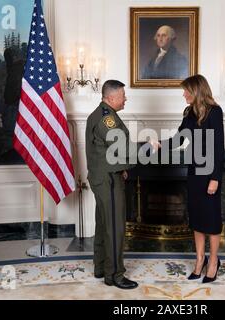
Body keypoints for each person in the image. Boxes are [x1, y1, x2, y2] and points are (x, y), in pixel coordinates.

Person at [85, 80, 159, 290]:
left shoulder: (100, 114)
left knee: (103, 224)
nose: (126, 98)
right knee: (115, 227)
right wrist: (149, 145)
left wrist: (122, 167)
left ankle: (100, 267)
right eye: (123, 95)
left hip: (103, 175)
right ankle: (115, 275)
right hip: (108, 179)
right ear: (110, 97)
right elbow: (121, 146)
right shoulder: (106, 119)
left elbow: (106, 150)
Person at [161, 74, 225, 283]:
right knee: (197, 219)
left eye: (186, 90)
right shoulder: (189, 112)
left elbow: (218, 146)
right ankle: (200, 260)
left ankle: (213, 261)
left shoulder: (215, 112)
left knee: (212, 221)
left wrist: (215, 178)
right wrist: (161, 144)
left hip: (210, 174)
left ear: (196, 91)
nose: (183, 94)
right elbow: (180, 138)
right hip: (194, 173)